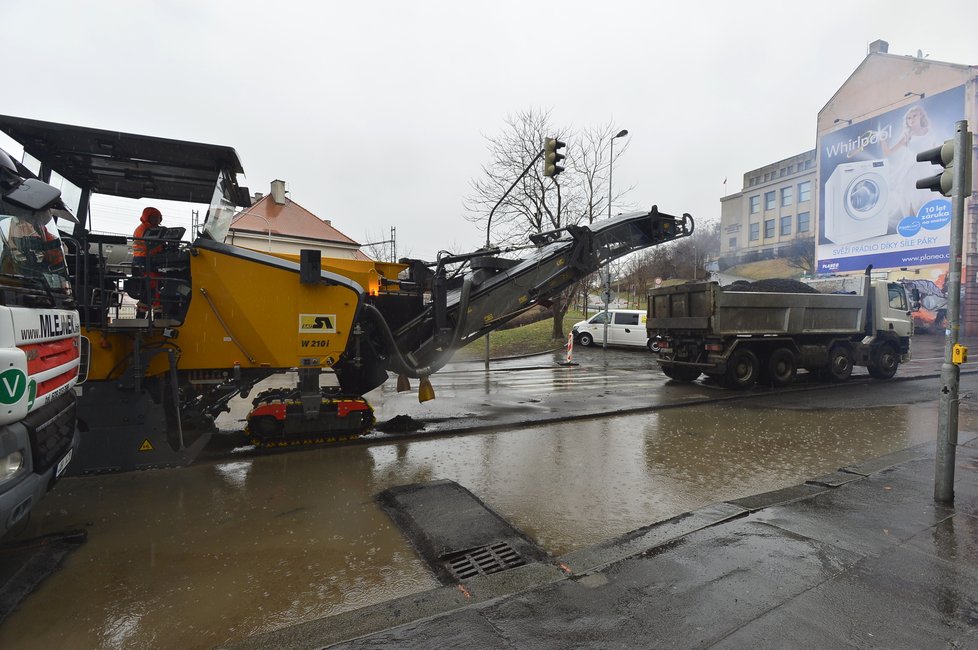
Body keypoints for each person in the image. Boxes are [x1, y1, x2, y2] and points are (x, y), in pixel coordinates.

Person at [132, 207, 163, 315]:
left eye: (158, 217)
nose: (157, 220)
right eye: (154, 217)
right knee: (151, 289)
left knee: (151, 290)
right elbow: (151, 245)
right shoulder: (145, 229)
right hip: (143, 261)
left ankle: (144, 316)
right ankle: (155, 316)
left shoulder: (151, 229)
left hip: (147, 261)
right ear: (147, 218)